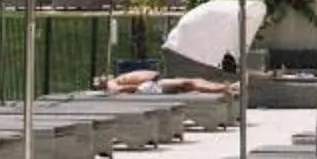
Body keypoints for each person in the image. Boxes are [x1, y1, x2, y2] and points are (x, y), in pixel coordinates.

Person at [95, 69, 233, 96]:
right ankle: (224, 88)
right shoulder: (111, 83)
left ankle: (225, 87)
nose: (102, 76)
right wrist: (139, 87)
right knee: (190, 84)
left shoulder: (114, 79)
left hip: (153, 84)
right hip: (151, 86)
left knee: (194, 81)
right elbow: (118, 90)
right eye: (100, 78)